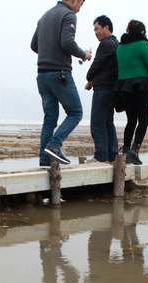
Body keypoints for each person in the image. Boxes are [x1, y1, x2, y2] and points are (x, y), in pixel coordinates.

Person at [31, 0, 92, 166]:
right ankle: (54, 145)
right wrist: (83, 54)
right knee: (76, 112)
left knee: (49, 119)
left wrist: (49, 50)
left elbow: (34, 45)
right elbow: (67, 42)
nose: (79, 9)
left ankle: (44, 161)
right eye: (81, 3)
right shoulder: (68, 14)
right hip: (59, 74)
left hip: (42, 75)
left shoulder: (44, 16)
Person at [114, 20, 148, 165]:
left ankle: (126, 150)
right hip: (140, 86)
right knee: (143, 120)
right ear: (142, 32)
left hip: (123, 87)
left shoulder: (120, 47)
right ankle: (135, 150)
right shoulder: (143, 44)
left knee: (131, 120)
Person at [84, 15, 118, 163]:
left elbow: (97, 64)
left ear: (106, 28)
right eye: (94, 30)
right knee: (108, 123)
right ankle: (112, 155)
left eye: (97, 29)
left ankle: (100, 156)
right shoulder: (117, 43)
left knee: (98, 124)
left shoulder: (106, 44)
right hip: (112, 89)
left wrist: (89, 77)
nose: (96, 32)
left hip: (103, 89)